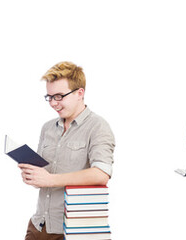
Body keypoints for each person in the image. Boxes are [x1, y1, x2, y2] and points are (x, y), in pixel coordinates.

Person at [19, 61, 115, 240]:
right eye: (49, 97)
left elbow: (102, 173)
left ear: (80, 93)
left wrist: (50, 179)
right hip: (40, 225)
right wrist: (33, 177)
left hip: (75, 228)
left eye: (59, 96)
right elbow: (45, 177)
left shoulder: (98, 127)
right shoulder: (47, 128)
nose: (53, 103)